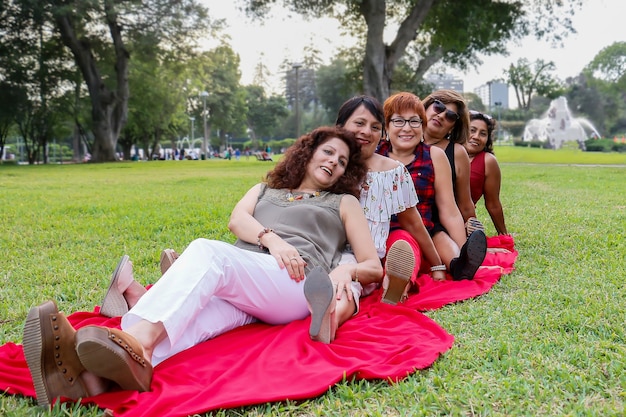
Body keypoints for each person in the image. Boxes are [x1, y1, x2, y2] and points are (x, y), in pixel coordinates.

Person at [22, 126, 383, 407]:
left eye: (341, 161)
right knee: (186, 322)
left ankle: (137, 342)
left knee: (208, 253)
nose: (334, 162)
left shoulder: (343, 203)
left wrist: (345, 271)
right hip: (247, 284)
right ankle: (87, 380)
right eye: (328, 152)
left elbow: (372, 266)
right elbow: (237, 221)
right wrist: (272, 239)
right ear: (308, 153)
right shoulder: (264, 191)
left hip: (294, 281)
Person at [334, 95, 446, 303]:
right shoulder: (327, 165)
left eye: (375, 127)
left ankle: (394, 284)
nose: (367, 131)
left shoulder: (393, 171)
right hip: (332, 250)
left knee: (403, 241)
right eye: (359, 123)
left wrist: (437, 264)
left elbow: (413, 222)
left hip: (376, 252)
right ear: (340, 126)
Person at [377, 92, 487, 281]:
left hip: (425, 228)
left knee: (439, 239)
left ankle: (461, 264)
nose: (407, 128)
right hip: (382, 230)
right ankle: (396, 280)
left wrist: (464, 250)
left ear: (422, 125)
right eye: (399, 122)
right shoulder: (375, 154)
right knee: (403, 245)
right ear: (387, 125)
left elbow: (450, 209)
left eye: (414, 122)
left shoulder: (435, 155)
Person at [422, 89, 484, 235]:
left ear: (453, 126)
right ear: (426, 107)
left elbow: (465, 203)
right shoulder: (399, 139)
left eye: (450, 116)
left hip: (439, 227)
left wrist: (475, 236)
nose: (442, 115)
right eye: (438, 106)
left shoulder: (457, 152)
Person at [464, 110, 508, 235]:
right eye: (472, 130)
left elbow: (493, 204)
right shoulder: (444, 151)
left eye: (483, 133)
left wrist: (504, 235)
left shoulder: (487, 161)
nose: (476, 136)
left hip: (462, 221)